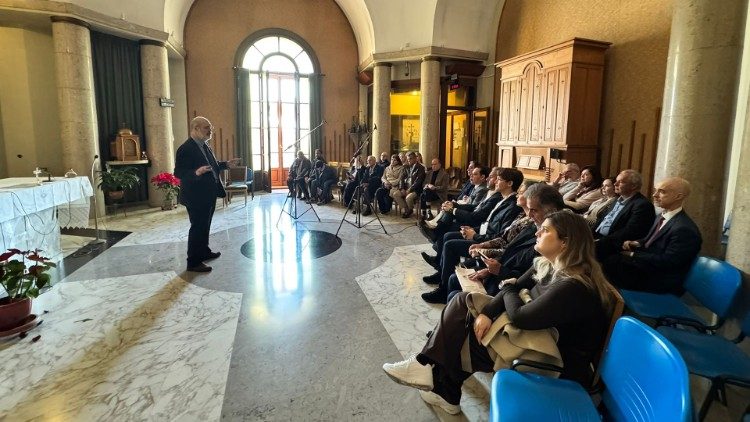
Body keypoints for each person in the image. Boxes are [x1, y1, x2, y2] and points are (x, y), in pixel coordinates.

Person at [383, 211, 613, 415]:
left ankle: (439, 383)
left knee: (464, 334)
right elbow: (511, 290)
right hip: (535, 337)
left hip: (552, 359)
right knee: (464, 305)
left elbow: (520, 314)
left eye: (544, 230)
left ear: (565, 242)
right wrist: (489, 311)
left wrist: (510, 287)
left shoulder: (573, 285)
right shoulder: (546, 263)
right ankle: (430, 371)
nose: (537, 233)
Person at [602, 177, 702, 294]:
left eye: (662, 191)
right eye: (656, 190)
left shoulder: (684, 229)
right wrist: (637, 243)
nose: (654, 195)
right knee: (608, 257)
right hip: (648, 267)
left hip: (660, 280)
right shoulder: (661, 216)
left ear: (678, 197)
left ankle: (612, 306)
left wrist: (633, 254)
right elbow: (651, 240)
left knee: (609, 265)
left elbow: (668, 262)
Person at [174, 116, 239, 272]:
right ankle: (194, 262)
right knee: (198, 227)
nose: (210, 131)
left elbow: (213, 166)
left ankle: (204, 251)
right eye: (206, 128)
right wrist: (196, 172)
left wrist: (225, 165)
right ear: (195, 128)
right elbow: (179, 173)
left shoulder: (205, 146)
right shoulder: (186, 148)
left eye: (211, 128)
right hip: (195, 196)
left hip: (208, 194)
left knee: (205, 226)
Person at [594, 169, 655, 262]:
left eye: (621, 182)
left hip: (615, 244)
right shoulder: (617, 199)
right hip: (600, 238)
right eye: (616, 181)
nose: (615, 184)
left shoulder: (642, 205)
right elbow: (602, 220)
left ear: (633, 186)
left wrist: (598, 242)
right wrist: (588, 234)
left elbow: (629, 231)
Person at [424, 165, 489, 229]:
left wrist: (455, 205)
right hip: (464, 206)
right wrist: (465, 200)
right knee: (448, 205)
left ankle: (437, 227)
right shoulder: (476, 186)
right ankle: (436, 224)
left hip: (469, 216)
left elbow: (473, 207)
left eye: (474, 174)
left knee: (450, 210)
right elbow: (471, 201)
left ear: (482, 177)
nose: (471, 175)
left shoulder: (482, 189)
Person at [393, 151, 425, 218]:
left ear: (415, 159)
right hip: (405, 188)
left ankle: (409, 209)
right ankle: (407, 209)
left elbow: (418, 181)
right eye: (408, 159)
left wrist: (410, 189)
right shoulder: (406, 167)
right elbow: (401, 179)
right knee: (395, 194)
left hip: (415, 189)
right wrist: (402, 188)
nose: (409, 160)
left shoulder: (421, 168)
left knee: (408, 198)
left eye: (410, 159)